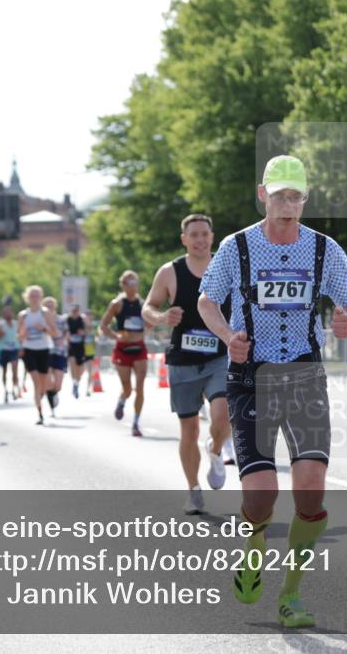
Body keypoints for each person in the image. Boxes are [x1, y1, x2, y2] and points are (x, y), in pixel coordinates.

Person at [198, 155, 347, 628]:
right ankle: (253, 545)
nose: (287, 206)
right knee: (262, 496)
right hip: (251, 379)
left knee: (310, 490)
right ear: (262, 195)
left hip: (305, 376)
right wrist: (229, 336)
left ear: (305, 199)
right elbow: (207, 300)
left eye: (295, 197)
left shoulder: (322, 249)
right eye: (279, 197)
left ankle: (291, 594)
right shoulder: (237, 247)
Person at [144, 214, 232, 515]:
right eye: (193, 234)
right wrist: (161, 318)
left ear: (212, 236)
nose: (200, 239)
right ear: (184, 239)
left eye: (204, 234)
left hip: (220, 355)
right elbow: (149, 306)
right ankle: (194, 490)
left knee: (223, 416)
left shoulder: (226, 265)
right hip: (183, 359)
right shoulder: (170, 272)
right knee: (189, 430)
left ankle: (217, 450)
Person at [100, 270, 149, 436]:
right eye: (129, 283)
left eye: (135, 282)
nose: (133, 286)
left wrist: (145, 332)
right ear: (123, 285)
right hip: (122, 350)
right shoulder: (117, 304)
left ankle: (136, 423)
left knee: (140, 388)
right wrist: (116, 336)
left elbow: (151, 322)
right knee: (127, 389)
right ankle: (122, 401)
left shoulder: (143, 304)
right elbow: (103, 326)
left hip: (139, 348)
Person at [17, 285, 57, 425]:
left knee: (43, 383)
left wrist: (44, 328)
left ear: (40, 298)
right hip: (30, 350)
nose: (34, 299)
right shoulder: (23, 315)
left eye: (37, 296)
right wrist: (23, 334)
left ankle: (48, 396)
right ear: (27, 298)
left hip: (44, 349)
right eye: (32, 296)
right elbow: (19, 336)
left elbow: (55, 333)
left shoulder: (45, 313)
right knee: (35, 382)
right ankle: (40, 414)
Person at [42, 296, 68, 416]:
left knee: (57, 385)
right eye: (47, 306)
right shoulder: (41, 320)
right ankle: (51, 407)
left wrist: (61, 339)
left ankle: (54, 393)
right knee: (49, 383)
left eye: (51, 305)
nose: (49, 308)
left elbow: (67, 333)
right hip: (45, 352)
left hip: (59, 352)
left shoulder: (61, 320)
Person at [0, 303, 22, 403]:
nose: (8, 314)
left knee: (15, 370)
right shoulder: (0, 325)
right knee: (5, 372)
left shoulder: (16, 324)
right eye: (6, 313)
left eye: (9, 312)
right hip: (4, 350)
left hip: (14, 349)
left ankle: (15, 389)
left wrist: (21, 347)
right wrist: (0, 334)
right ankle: (6, 390)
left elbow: (20, 336)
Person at [66, 304, 89, 398]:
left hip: (81, 346)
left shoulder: (82, 319)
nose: (75, 312)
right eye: (73, 310)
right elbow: (63, 331)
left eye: (76, 310)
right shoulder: (67, 320)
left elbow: (89, 330)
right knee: (72, 364)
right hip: (71, 346)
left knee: (80, 368)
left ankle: (77, 382)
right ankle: (74, 383)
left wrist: (84, 332)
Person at [82, 312, 97, 397]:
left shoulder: (94, 327)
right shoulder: (81, 326)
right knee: (82, 371)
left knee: (90, 371)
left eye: (90, 316)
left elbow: (96, 338)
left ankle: (88, 389)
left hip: (91, 352)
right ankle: (77, 385)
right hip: (81, 352)